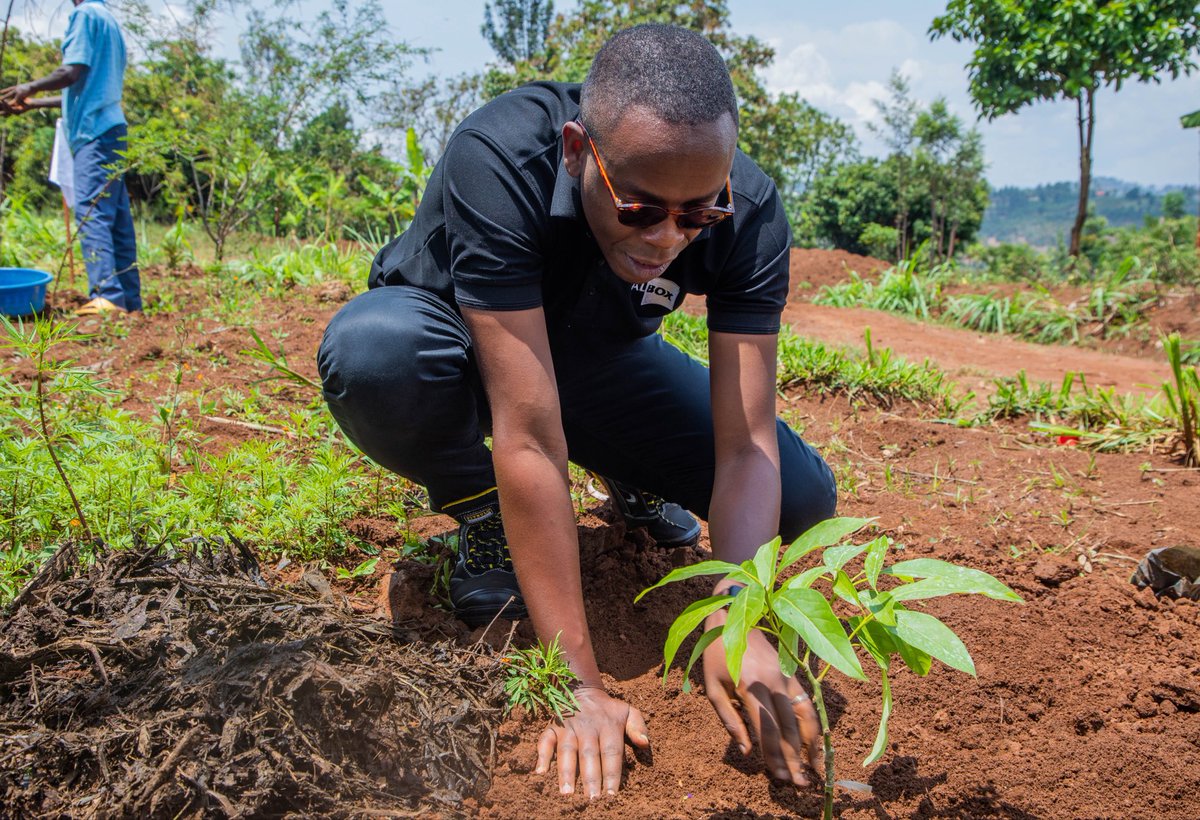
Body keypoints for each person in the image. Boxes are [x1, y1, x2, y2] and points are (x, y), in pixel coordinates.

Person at [318, 24, 837, 797]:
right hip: (457, 350)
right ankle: (483, 512)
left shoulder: (750, 209)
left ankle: (632, 478)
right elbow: (526, 434)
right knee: (376, 356)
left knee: (801, 496)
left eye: (697, 214)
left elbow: (745, 444)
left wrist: (741, 617)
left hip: (600, 362)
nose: (667, 238)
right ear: (574, 152)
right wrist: (580, 684)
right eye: (640, 208)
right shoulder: (500, 156)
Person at [0, 0, 140, 315]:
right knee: (115, 217)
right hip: (111, 127)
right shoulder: (107, 20)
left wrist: (28, 86)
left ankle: (107, 295)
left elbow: (70, 72)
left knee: (92, 213)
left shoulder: (84, 15)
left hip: (93, 131)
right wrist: (33, 102)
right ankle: (129, 301)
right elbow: (83, 87)